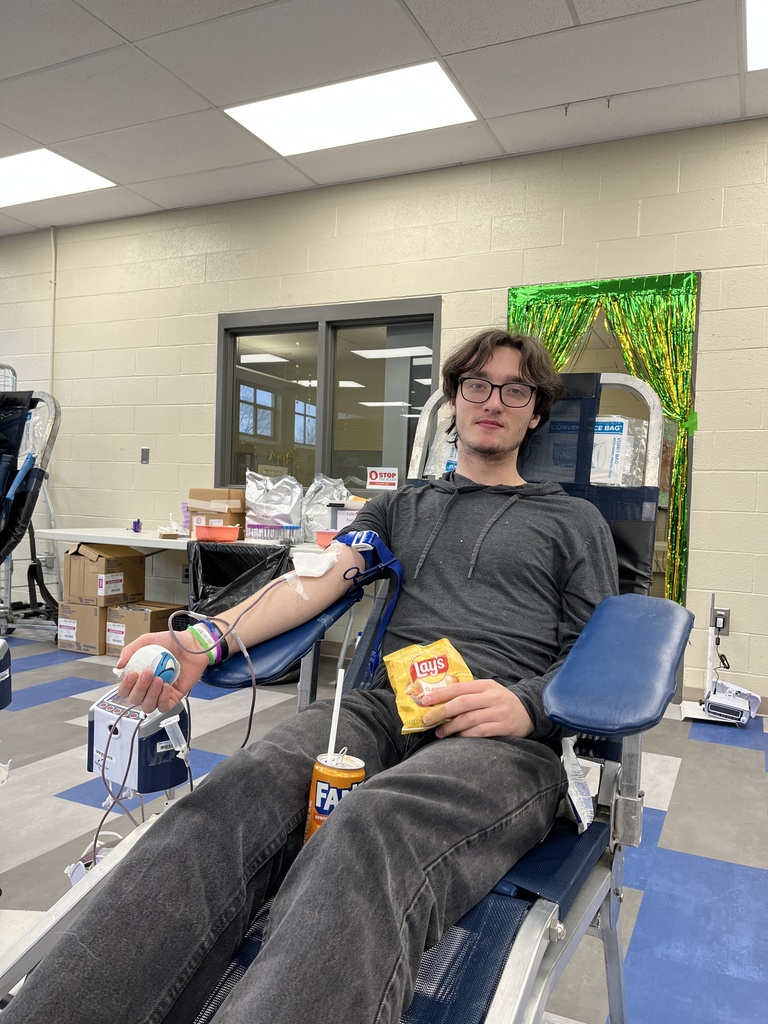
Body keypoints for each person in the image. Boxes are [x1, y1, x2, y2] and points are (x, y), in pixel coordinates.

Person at [5, 329, 618, 1024]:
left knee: (371, 826)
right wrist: (204, 638)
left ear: (536, 413)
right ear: (454, 400)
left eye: (516, 390)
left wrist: (528, 705)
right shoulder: (402, 508)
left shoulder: (574, 521)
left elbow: (596, 653)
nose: (493, 401)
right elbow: (317, 582)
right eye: (477, 384)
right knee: (236, 791)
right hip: (380, 709)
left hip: (499, 739)